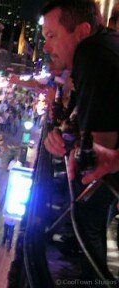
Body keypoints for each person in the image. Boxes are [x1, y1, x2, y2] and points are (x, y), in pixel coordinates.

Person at [41, 0, 119, 281]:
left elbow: (97, 156)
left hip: (107, 188)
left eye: (52, 37)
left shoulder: (92, 55)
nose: (47, 48)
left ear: (83, 31)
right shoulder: (105, 46)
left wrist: (76, 146)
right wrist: (60, 135)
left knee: (90, 219)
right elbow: (80, 122)